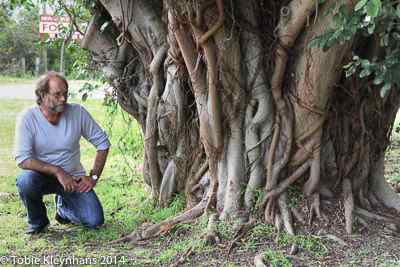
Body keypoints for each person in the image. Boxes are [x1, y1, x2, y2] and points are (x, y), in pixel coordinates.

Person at [13, 71, 110, 234]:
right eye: (57, 94)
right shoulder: (28, 118)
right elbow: (23, 159)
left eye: (65, 93)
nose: (63, 99)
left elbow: (103, 143)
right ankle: (38, 222)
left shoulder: (77, 112)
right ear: (42, 95)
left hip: (73, 179)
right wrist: (57, 171)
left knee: (95, 221)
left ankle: (63, 210)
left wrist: (93, 177)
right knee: (25, 181)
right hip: (40, 176)